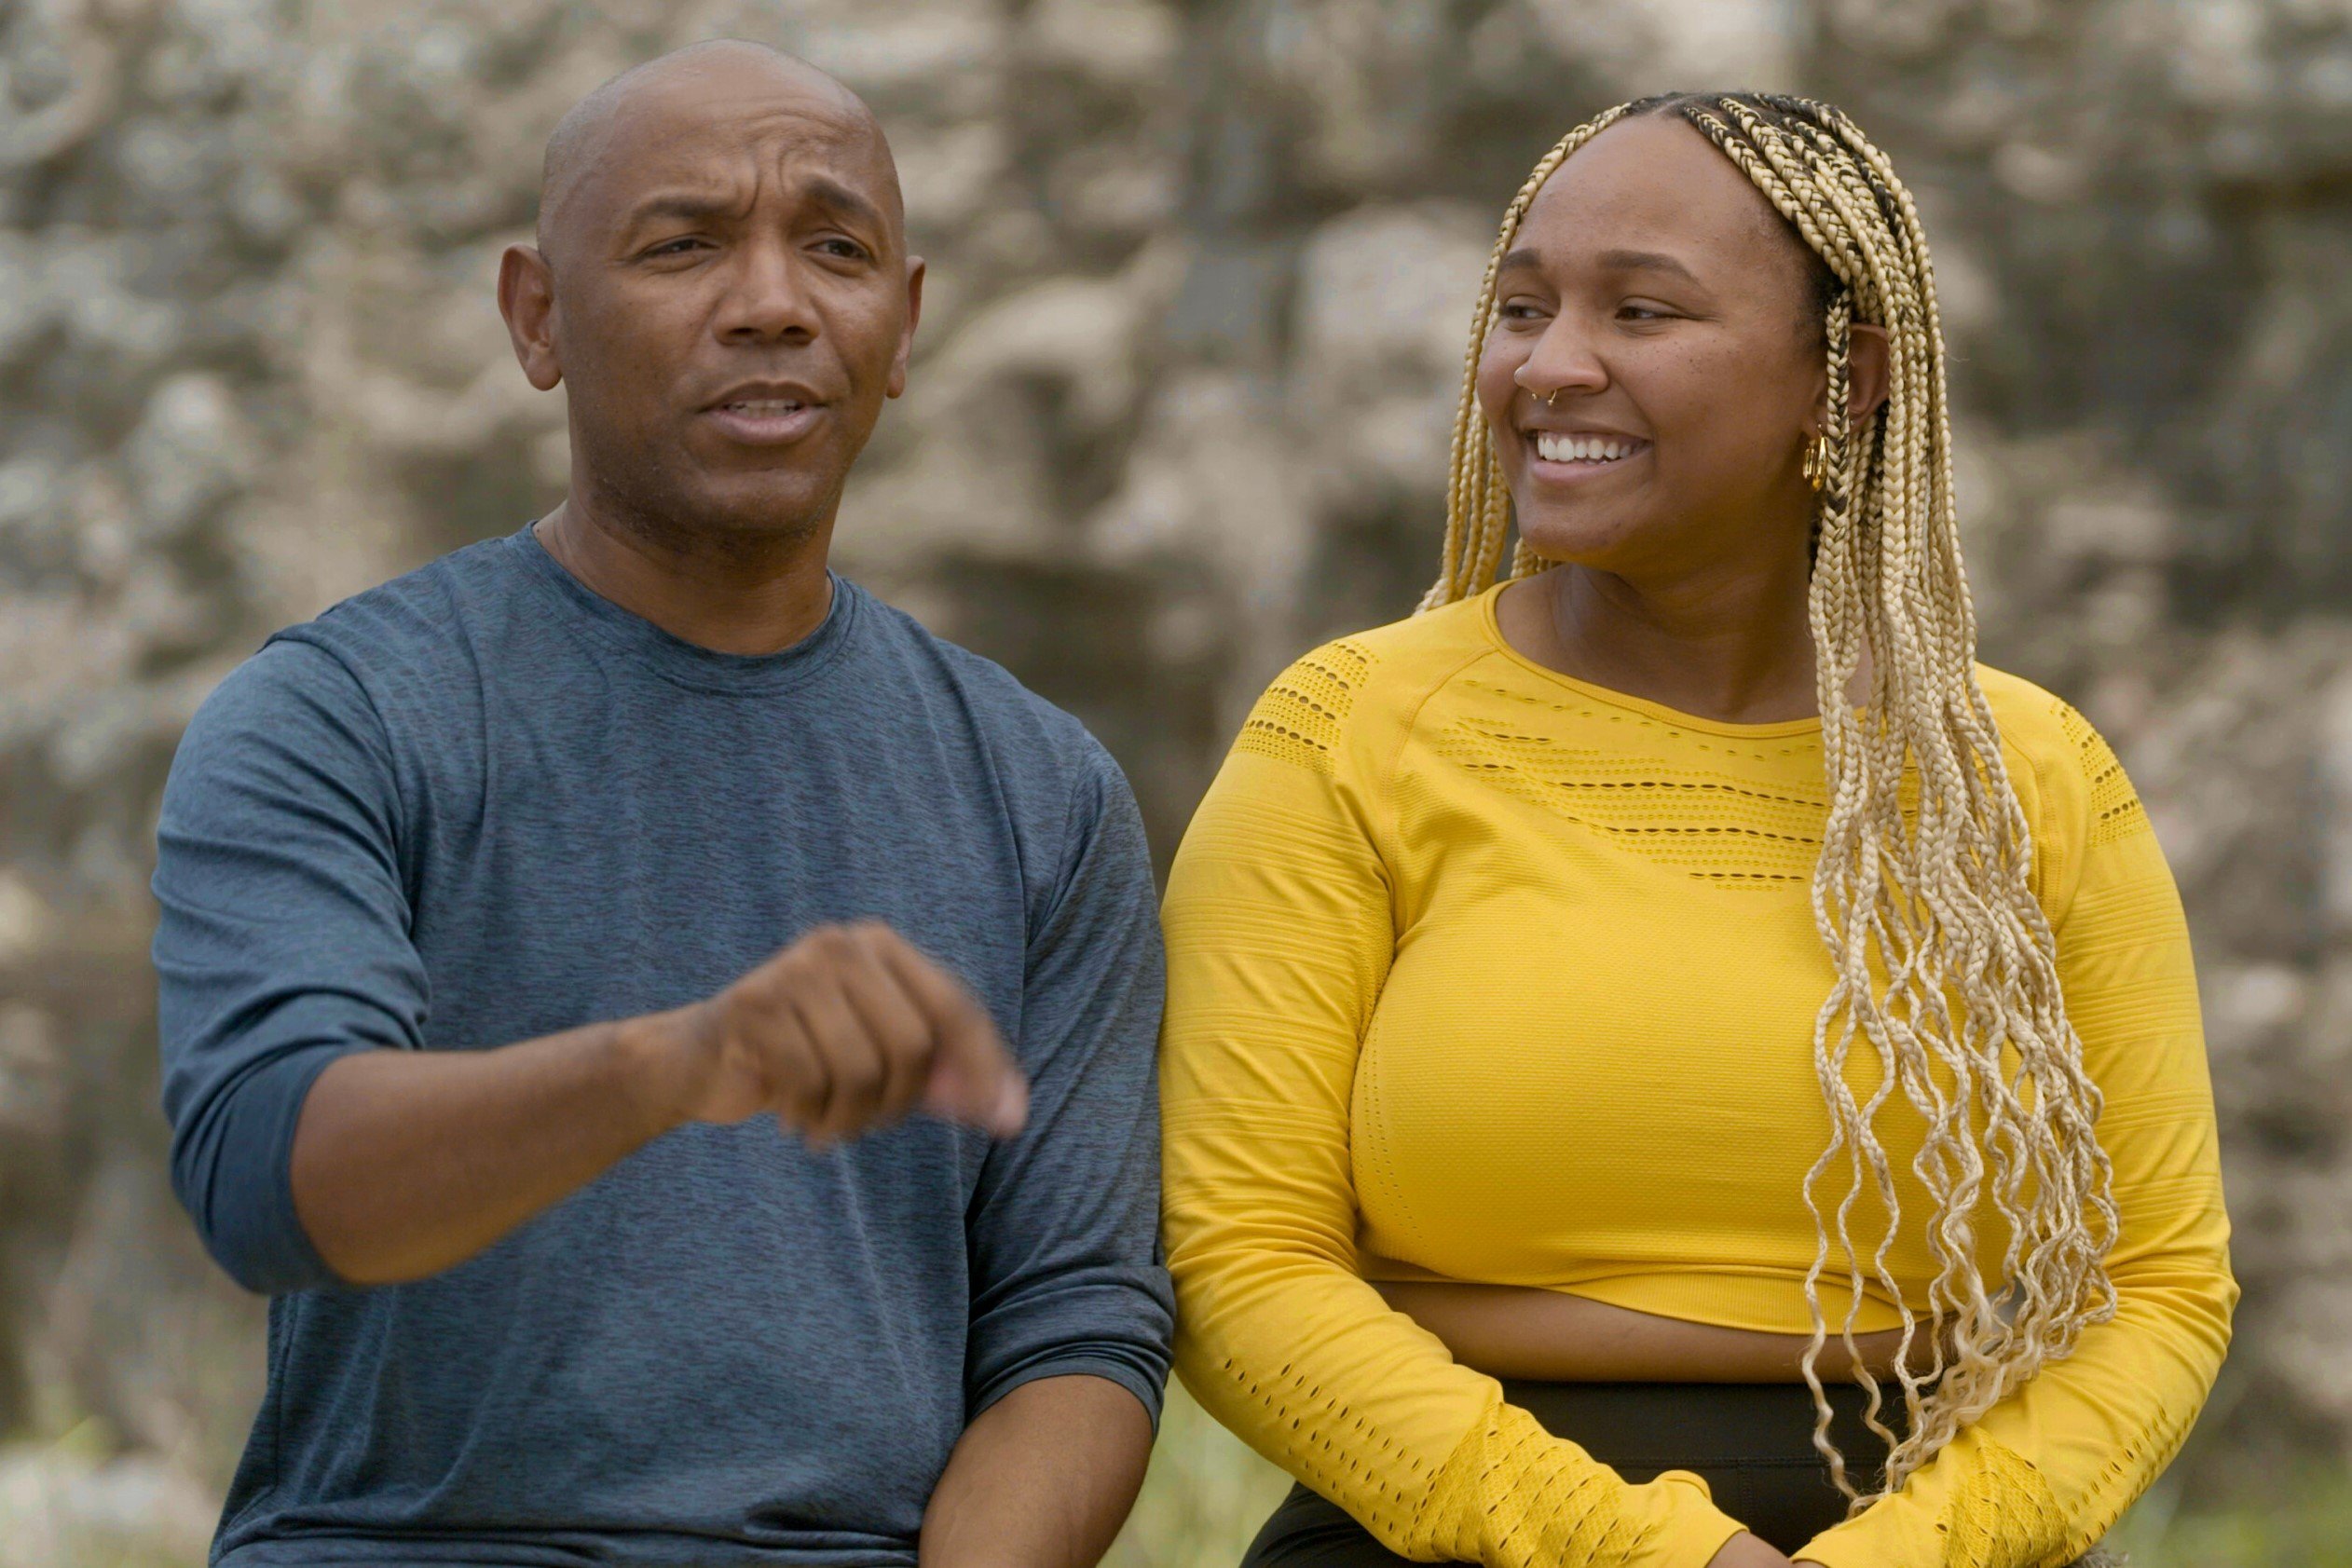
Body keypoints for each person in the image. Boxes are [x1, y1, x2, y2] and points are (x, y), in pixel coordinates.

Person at [1158, 92, 2233, 1568]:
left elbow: (2158, 1285)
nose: (1550, 364)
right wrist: (1644, 1553)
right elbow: (1233, 1261)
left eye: (1642, 311)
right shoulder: (1348, 731)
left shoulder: (2032, 776)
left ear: (1842, 379)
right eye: (1523, 306)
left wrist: (1904, 1555)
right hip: (1456, 1528)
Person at [153, 40, 1171, 1568]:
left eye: (834, 248)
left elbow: (1076, 1322)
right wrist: (674, 1063)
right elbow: (269, 1175)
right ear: (537, 317)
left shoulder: (1040, 788)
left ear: (902, 324)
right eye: (684, 243)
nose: (771, 302)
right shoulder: (341, 714)